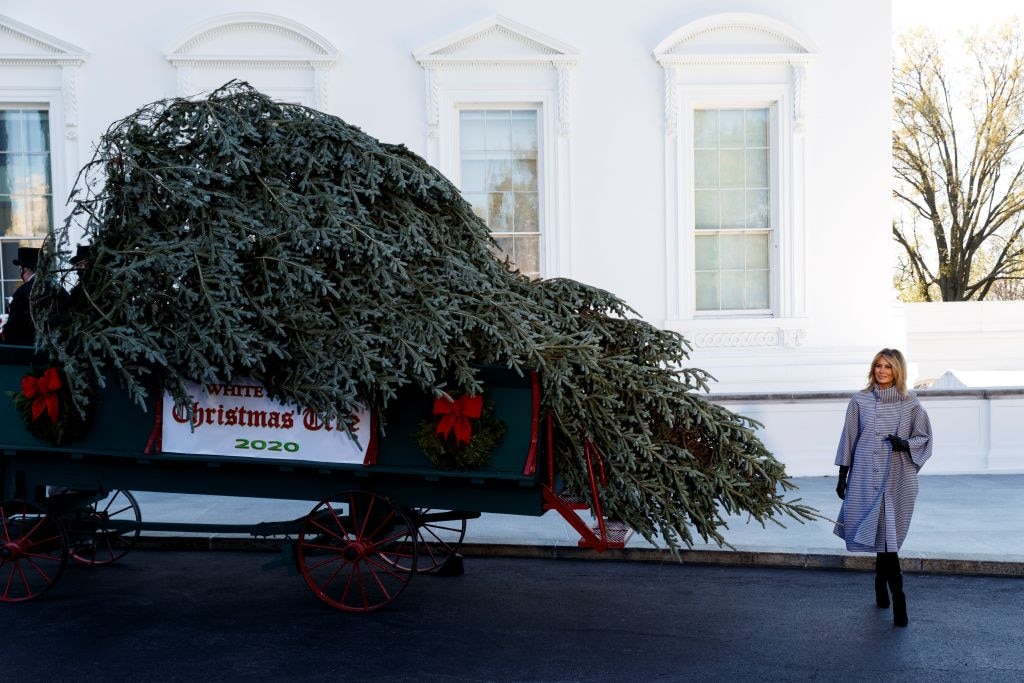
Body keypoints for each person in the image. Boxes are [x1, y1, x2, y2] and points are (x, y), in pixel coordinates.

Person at [833, 348, 932, 627]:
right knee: (882, 536)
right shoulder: (859, 400)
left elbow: (924, 437)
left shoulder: (911, 403)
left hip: (898, 476)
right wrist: (843, 476)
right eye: (878, 365)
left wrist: (905, 444)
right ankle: (895, 598)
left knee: (889, 535)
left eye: (888, 366)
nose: (881, 371)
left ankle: (887, 589)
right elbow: (848, 438)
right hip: (865, 475)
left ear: (897, 370)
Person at [1, 247, 41, 345]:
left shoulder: (23, 292)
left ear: (23, 269)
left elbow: (12, 327)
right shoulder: (57, 288)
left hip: (28, 349)